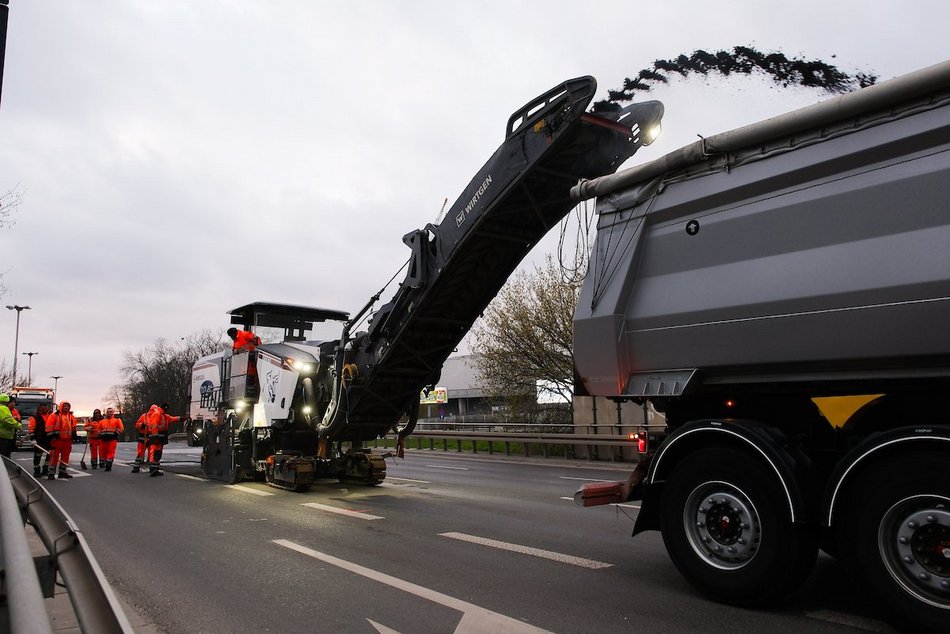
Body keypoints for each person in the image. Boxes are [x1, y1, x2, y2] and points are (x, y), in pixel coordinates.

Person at [144, 402, 182, 477]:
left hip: (160, 436)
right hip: (157, 437)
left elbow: (171, 419)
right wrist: (155, 436)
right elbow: (154, 425)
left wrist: (181, 418)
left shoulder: (162, 414)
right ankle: (153, 469)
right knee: (156, 453)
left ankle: (155, 469)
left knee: (158, 453)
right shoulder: (158, 414)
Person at [47, 402, 77, 479]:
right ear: (61, 407)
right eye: (64, 406)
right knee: (54, 456)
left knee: (65, 456)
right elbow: (49, 426)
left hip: (67, 440)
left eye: (67, 406)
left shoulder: (71, 416)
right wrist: (51, 436)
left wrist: (74, 434)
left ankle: (62, 472)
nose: (66, 408)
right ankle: (51, 472)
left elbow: (73, 427)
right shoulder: (54, 415)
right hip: (57, 439)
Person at [97, 407, 124, 471]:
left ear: (113, 412)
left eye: (110, 412)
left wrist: (116, 434)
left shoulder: (117, 420)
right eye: (108, 412)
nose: (109, 413)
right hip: (104, 439)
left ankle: (109, 465)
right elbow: (99, 430)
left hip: (112, 439)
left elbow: (121, 428)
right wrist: (100, 435)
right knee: (104, 452)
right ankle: (106, 463)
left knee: (111, 452)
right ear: (106, 413)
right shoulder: (102, 421)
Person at [29, 403, 52, 477]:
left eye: (45, 408)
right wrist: (32, 439)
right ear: (39, 409)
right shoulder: (35, 417)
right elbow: (31, 429)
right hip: (39, 439)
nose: (44, 409)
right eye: (42, 408)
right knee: (38, 455)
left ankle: (45, 470)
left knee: (49, 455)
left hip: (48, 439)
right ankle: (37, 471)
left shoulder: (50, 416)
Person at [0, 393, 21, 458]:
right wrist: (19, 425)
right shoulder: (3, 408)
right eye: (12, 402)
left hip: (4, 436)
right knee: (4, 457)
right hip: (3, 437)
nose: (14, 404)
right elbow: (7, 420)